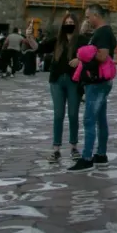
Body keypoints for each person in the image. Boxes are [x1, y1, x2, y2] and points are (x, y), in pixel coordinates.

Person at [68, 4, 117, 172]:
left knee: (89, 119)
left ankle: (87, 158)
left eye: (88, 16)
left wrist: (84, 54)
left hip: (96, 83)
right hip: (100, 82)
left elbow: (102, 56)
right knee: (100, 119)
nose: (87, 20)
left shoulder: (103, 32)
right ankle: (101, 155)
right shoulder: (103, 32)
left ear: (96, 15)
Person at [37, 13, 82, 162]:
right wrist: (30, 37)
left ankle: (74, 146)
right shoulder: (57, 41)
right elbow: (39, 48)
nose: (69, 24)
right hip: (56, 80)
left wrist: (80, 59)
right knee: (58, 115)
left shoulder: (81, 40)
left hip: (74, 81)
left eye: (71, 22)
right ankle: (56, 149)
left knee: (73, 114)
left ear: (76, 25)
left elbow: (91, 54)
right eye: (66, 22)